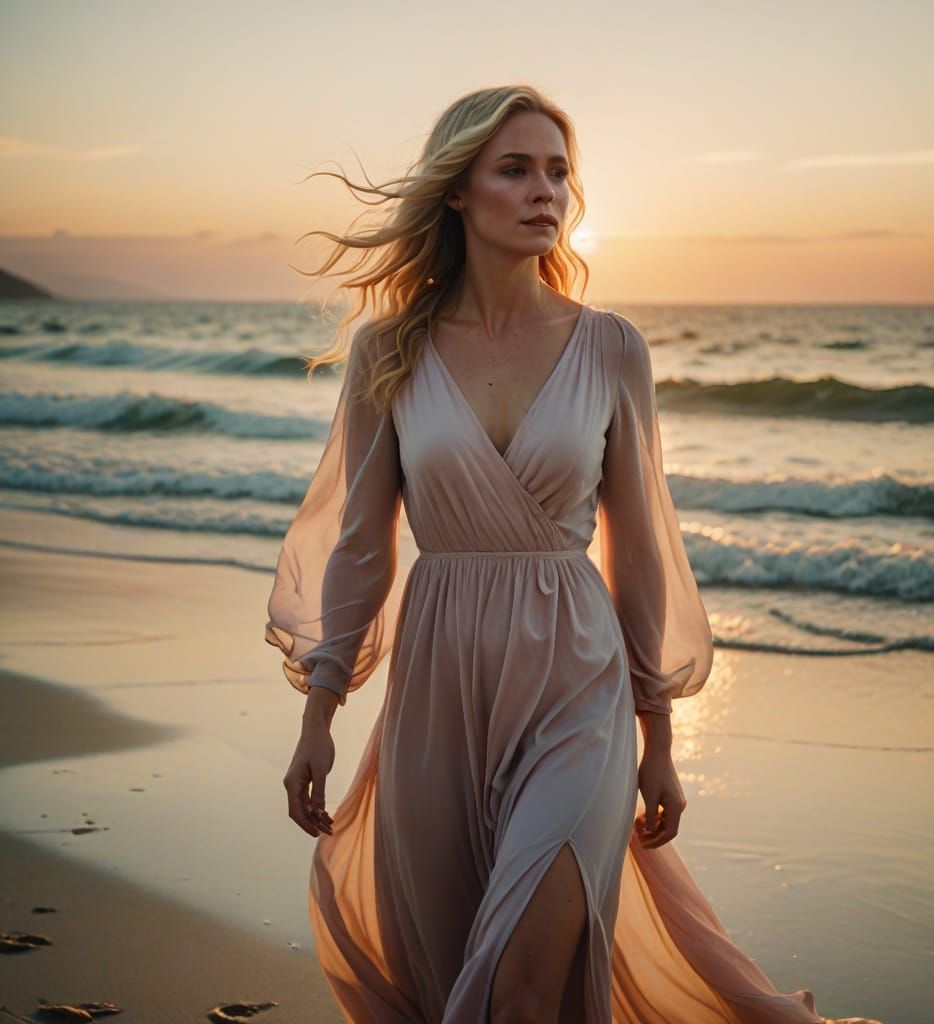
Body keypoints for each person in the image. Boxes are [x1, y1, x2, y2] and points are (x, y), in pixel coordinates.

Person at [266, 85, 882, 1024]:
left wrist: (659, 736)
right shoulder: (390, 351)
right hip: (439, 690)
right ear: (458, 191)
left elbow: (640, 552)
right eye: (515, 169)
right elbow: (360, 546)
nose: (544, 190)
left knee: (521, 988)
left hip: (578, 689)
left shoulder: (610, 348)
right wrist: (320, 713)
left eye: (558, 171)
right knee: (457, 970)